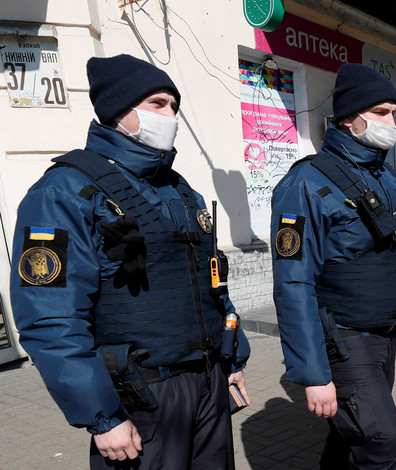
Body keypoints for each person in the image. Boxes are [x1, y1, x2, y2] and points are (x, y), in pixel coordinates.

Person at [10, 54, 251, 468]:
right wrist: (102, 416)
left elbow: (211, 282)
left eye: (174, 107)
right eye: (158, 104)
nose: (170, 116)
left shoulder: (179, 189)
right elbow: (50, 319)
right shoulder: (64, 192)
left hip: (209, 384)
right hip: (141, 396)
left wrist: (232, 357)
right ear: (117, 109)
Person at [270, 63, 396, 469]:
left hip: (382, 335)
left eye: (393, 112)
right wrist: (313, 374)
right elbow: (293, 285)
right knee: (381, 445)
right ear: (349, 118)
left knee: (349, 440)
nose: (390, 122)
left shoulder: (386, 178)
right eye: (380, 112)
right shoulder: (305, 182)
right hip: (342, 340)